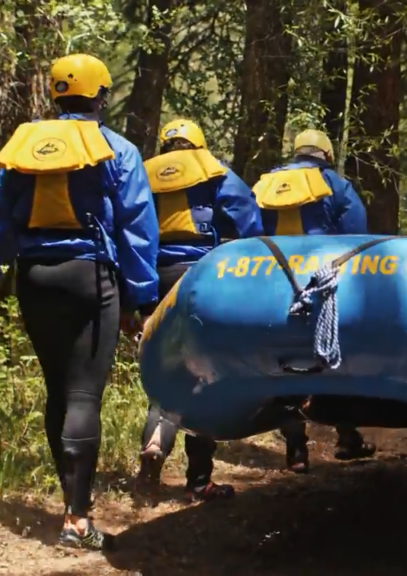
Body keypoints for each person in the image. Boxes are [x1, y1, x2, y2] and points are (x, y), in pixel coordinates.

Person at [0, 53, 159, 551]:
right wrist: (142, 301)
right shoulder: (117, 149)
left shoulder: (28, 149)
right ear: (100, 95)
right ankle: (77, 519)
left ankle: (70, 505)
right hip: (90, 278)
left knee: (58, 390)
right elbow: (137, 230)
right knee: (82, 395)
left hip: (34, 279)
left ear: (56, 94)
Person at [134, 118, 265, 501]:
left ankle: (154, 443)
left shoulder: (145, 175)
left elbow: (129, 226)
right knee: (204, 373)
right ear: (199, 145)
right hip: (203, 280)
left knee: (165, 367)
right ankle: (199, 480)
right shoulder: (215, 170)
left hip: (157, 279)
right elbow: (250, 223)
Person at [252, 128, 374, 473]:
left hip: (272, 280)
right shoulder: (335, 184)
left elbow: (250, 227)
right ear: (326, 155)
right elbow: (356, 230)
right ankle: (347, 436)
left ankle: (296, 451)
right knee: (334, 356)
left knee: (286, 362)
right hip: (320, 281)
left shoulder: (266, 184)